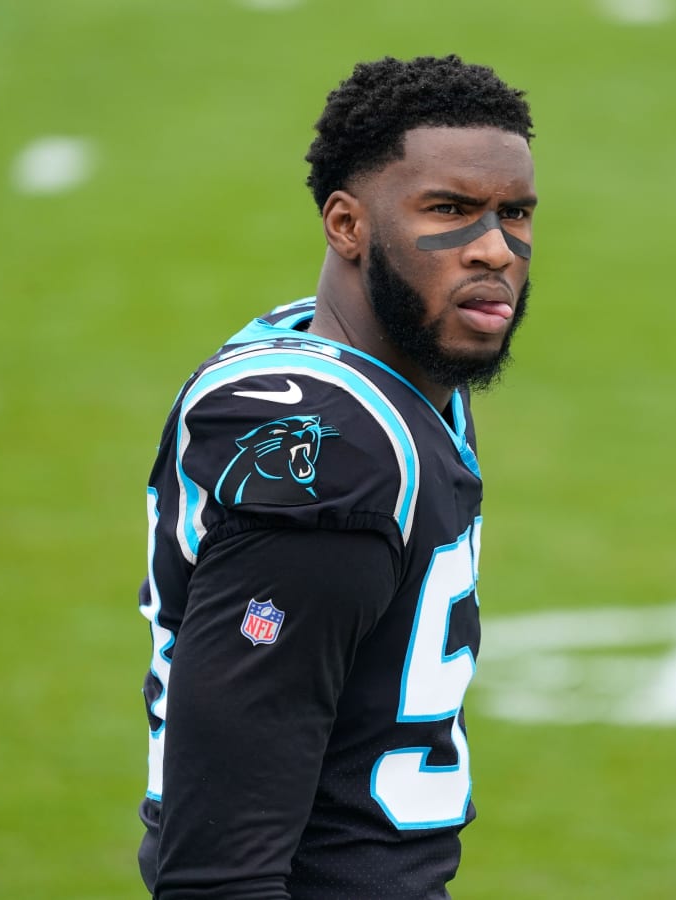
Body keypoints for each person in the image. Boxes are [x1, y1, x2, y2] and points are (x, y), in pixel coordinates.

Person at [136, 54, 537, 899]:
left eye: (515, 213)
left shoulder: (391, 369)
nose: (495, 248)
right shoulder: (331, 460)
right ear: (347, 226)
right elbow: (218, 876)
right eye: (451, 211)